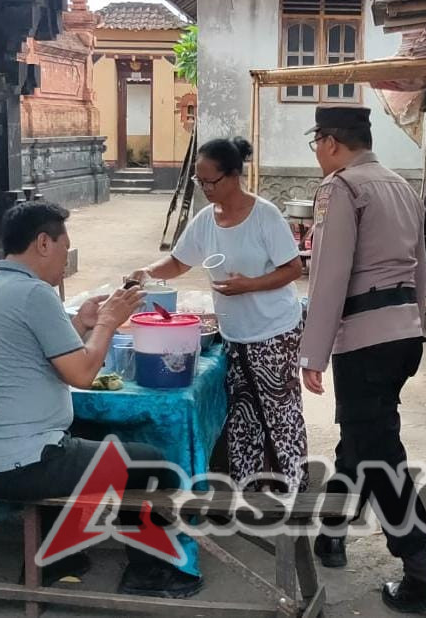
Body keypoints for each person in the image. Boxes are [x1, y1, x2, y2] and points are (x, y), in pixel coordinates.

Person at [0, 201, 203, 598]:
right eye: (64, 248)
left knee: (83, 435)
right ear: (43, 243)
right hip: (17, 464)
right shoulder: (35, 294)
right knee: (146, 463)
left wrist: (81, 323)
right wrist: (107, 323)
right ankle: (148, 574)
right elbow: (82, 374)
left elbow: (38, 348)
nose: (65, 261)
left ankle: (56, 561)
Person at [299, 105, 426, 614]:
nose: (318, 154)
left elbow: (329, 275)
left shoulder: (341, 188)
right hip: (402, 332)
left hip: (364, 338)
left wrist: (312, 351)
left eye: (316, 143)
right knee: (364, 435)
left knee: (380, 451)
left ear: (331, 142)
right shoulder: (399, 184)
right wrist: (414, 322)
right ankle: (333, 532)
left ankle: (420, 572)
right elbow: (422, 264)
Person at [127, 138, 308, 492]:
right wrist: (145, 272)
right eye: (200, 182)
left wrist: (251, 285)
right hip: (234, 333)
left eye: (212, 181)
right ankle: (247, 491)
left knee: (280, 413)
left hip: (274, 331)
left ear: (234, 175)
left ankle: (295, 490)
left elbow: (292, 269)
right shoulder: (206, 220)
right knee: (242, 415)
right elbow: (179, 261)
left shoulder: (264, 216)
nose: (206, 189)